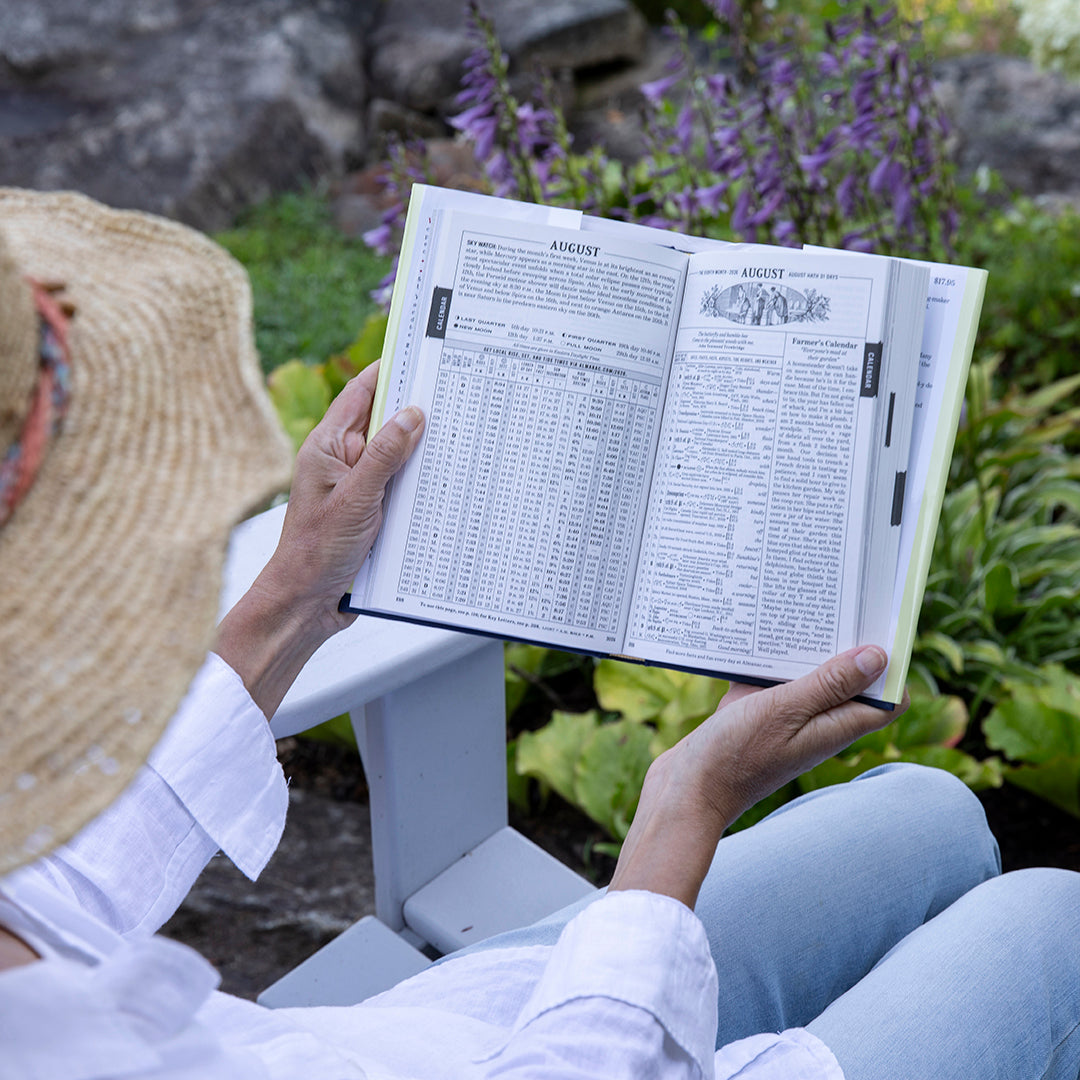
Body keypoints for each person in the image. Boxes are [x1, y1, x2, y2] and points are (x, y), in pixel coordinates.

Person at [1, 188, 1079, 1080]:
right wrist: (682, 810)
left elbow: (42, 895)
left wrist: (294, 591)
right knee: (1053, 927)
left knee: (928, 813)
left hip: (398, 1048)